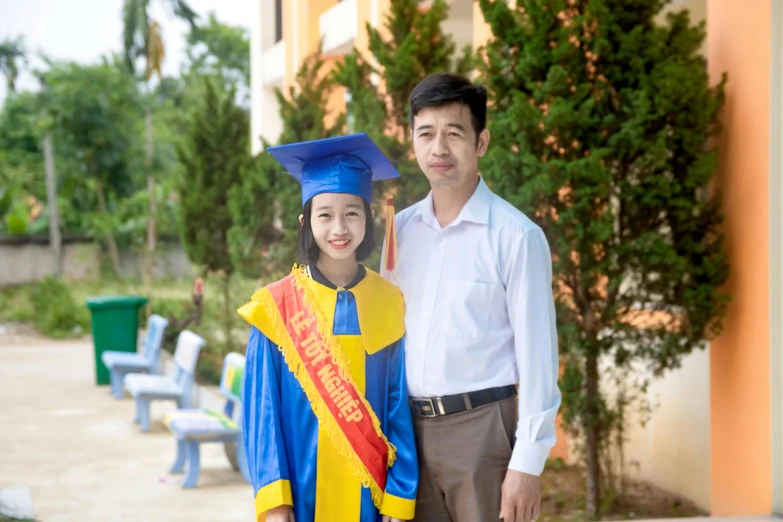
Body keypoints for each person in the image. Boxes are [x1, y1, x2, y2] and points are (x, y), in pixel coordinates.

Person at [381, 73, 562, 522]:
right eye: (426, 133)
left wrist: (527, 463)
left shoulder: (516, 236)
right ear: (413, 142)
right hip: (406, 435)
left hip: (484, 431)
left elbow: (539, 357)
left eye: (454, 133)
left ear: (481, 142)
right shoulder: (398, 231)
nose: (439, 148)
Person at [238, 133, 419, 522]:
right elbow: (262, 415)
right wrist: (274, 502)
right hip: (302, 497)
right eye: (325, 215)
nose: (339, 228)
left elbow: (397, 405)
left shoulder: (388, 301)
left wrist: (400, 496)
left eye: (351, 213)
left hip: (369, 498)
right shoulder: (274, 308)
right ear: (306, 221)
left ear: (367, 217)